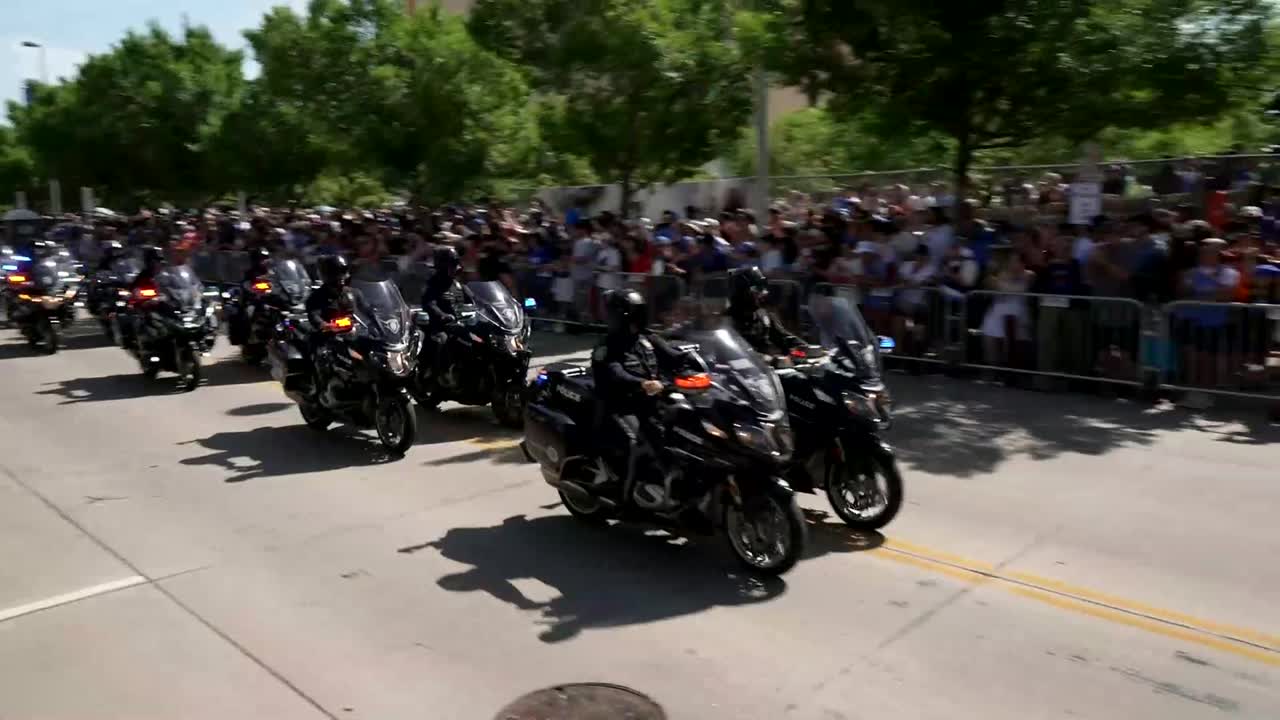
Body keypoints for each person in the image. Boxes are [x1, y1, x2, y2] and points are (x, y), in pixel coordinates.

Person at [591, 288, 689, 509]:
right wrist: (642, 383)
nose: (639, 317)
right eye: (634, 313)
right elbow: (615, 372)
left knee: (685, 428)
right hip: (619, 406)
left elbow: (674, 357)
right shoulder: (608, 346)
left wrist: (704, 359)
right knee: (636, 442)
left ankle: (671, 483)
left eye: (639, 312)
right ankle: (626, 497)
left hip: (649, 402)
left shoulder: (646, 338)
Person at [420, 246, 473, 382]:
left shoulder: (458, 285)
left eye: (456, 264)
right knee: (442, 340)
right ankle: (440, 373)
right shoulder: (433, 284)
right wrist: (442, 315)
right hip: (440, 325)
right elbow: (429, 303)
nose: (457, 267)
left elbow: (476, 300)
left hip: (461, 324)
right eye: (453, 264)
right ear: (443, 266)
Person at [724, 266, 804, 356]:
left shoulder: (763, 316)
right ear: (741, 292)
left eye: (763, 288)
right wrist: (766, 359)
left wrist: (804, 348)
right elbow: (735, 353)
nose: (764, 293)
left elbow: (785, 338)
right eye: (757, 289)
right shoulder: (726, 323)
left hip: (768, 368)